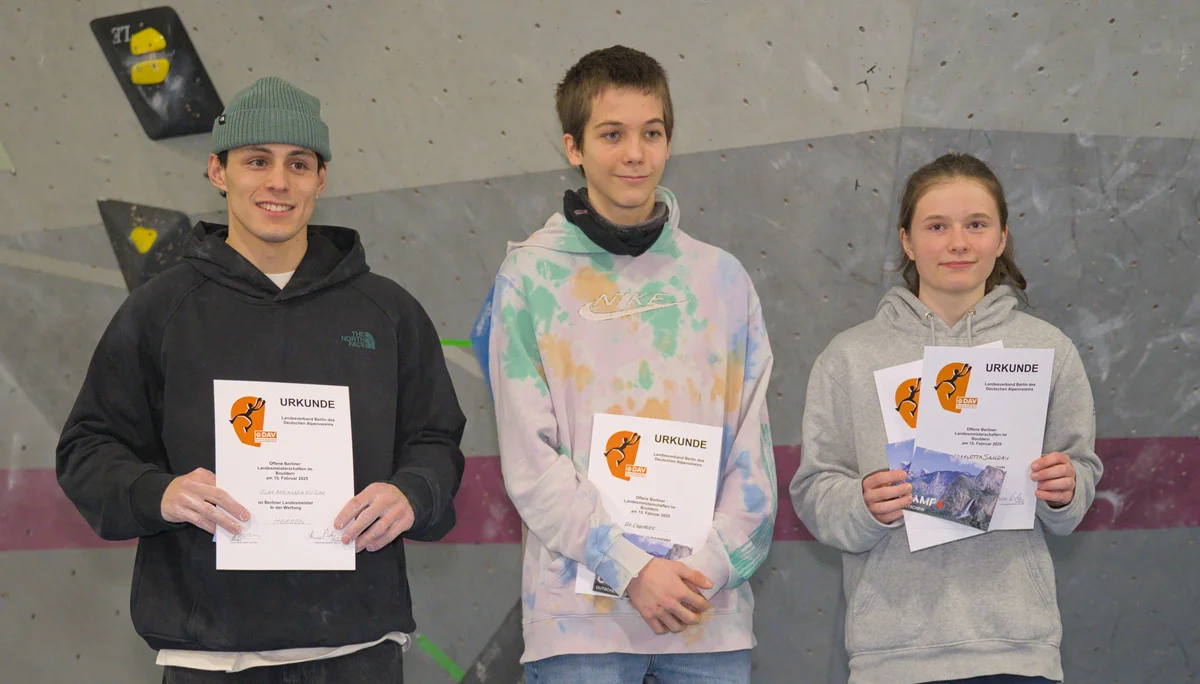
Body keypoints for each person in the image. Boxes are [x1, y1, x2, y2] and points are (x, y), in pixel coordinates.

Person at [56, 76, 466, 683]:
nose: (278, 182)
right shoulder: (158, 311)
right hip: (208, 654)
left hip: (357, 648)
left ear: (320, 180)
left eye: (298, 164)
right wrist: (158, 492)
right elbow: (87, 449)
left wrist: (412, 494)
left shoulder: (387, 312)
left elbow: (435, 440)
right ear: (218, 172)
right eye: (256, 161)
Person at [486, 46, 777, 684]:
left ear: (669, 142)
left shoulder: (721, 280)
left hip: (708, 615)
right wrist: (631, 568)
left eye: (651, 133)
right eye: (611, 135)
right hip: (577, 626)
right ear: (574, 147)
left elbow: (752, 458)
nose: (634, 154)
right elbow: (530, 463)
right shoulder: (529, 277)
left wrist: (704, 571)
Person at [790, 153, 1102, 684]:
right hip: (890, 655)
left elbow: (1077, 484)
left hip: (1017, 651)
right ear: (908, 241)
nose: (958, 242)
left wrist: (1066, 486)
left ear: (1001, 237)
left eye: (976, 225)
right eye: (937, 226)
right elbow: (815, 491)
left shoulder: (1048, 350)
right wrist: (862, 503)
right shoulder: (849, 357)